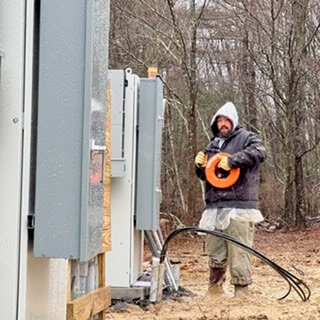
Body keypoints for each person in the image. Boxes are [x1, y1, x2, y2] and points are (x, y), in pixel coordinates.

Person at [194, 101, 266, 297]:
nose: (223, 124)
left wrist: (232, 161)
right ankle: (215, 290)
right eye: (219, 121)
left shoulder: (247, 138)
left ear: (233, 122)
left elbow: (260, 152)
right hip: (215, 205)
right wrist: (200, 167)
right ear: (215, 123)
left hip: (239, 204)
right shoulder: (213, 145)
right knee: (215, 249)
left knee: (238, 249)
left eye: (227, 120)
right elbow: (207, 177)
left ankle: (241, 292)